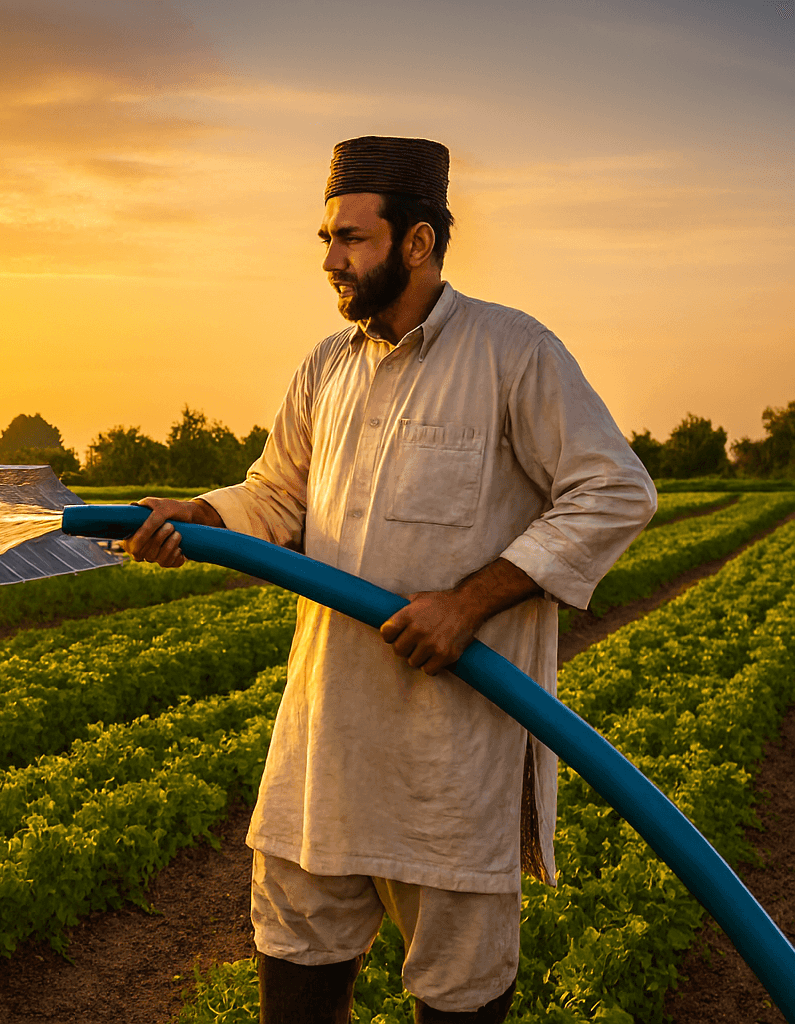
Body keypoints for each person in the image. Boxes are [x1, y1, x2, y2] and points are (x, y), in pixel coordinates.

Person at [124, 136, 656, 1023]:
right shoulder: (326, 368)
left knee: (456, 986)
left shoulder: (511, 352)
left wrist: (467, 605)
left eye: (353, 239)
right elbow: (276, 495)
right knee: (295, 958)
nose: (332, 260)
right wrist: (203, 519)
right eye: (327, 239)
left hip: (455, 756)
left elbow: (614, 491)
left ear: (417, 242)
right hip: (328, 739)